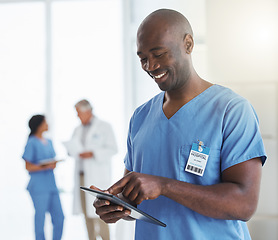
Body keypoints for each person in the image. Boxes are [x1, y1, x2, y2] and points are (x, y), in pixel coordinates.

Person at [91, 9, 267, 240]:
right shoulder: (141, 117)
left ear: (188, 44)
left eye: (159, 54)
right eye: (143, 58)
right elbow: (136, 196)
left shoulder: (231, 110)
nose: (150, 66)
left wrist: (164, 186)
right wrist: (117, 206)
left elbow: (244, 204)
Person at [65, 99, 118, 240]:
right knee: (85, 212)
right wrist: (71, 151)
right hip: (81, 176)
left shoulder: (104, 127)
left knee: (101, 212)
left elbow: (113, 148)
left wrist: (93, 153)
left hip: (97, 177)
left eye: (78, 113)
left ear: (87, 111)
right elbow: (72, 149)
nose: (77, 116)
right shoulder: (77, 130)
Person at [22, 114, 64, 240]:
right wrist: (45, 167)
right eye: (45, 122)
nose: (47, 124)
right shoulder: (31, 142)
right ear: (39, 125)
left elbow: (52, 160)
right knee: (40, 218)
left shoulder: (49, 141)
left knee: (60, 217)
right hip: (38, 186)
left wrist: (53, 164)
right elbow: (28, 166)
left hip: (52, 185)